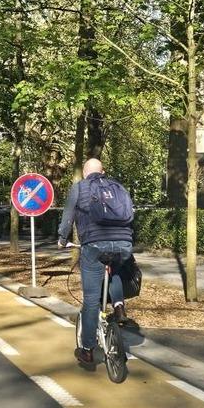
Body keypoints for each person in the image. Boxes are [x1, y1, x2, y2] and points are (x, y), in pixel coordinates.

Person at [57, 158, 133, 369]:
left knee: (91, 299)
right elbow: (129, 214)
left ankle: (88, 350)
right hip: (124, 243)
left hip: (93, 244)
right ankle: (118, 306)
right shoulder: (118, 187)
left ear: (84, 173)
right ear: (103, 171)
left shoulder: (80, 187)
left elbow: (68, 214)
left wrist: (62, 239)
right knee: (115, 266)